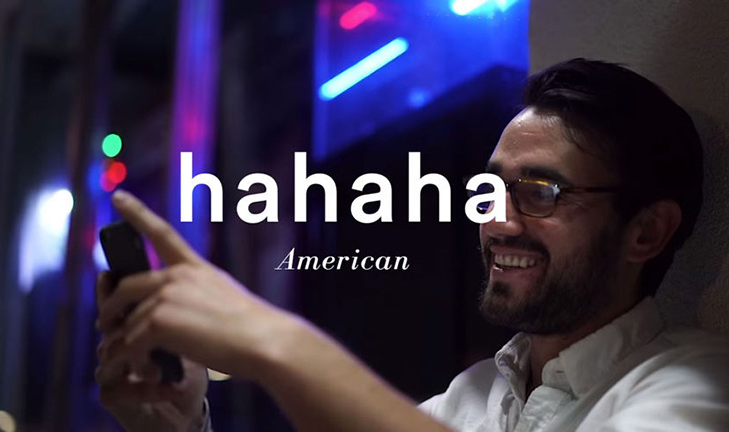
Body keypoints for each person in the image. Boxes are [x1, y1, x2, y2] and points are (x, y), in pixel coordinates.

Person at [94, 58, 729, 432]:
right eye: (489, 189)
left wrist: (273, 342)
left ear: (646, 231)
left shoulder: (694, 386)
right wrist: (180, 424)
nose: (496, 222)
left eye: (540, 192)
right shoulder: (472, 396)